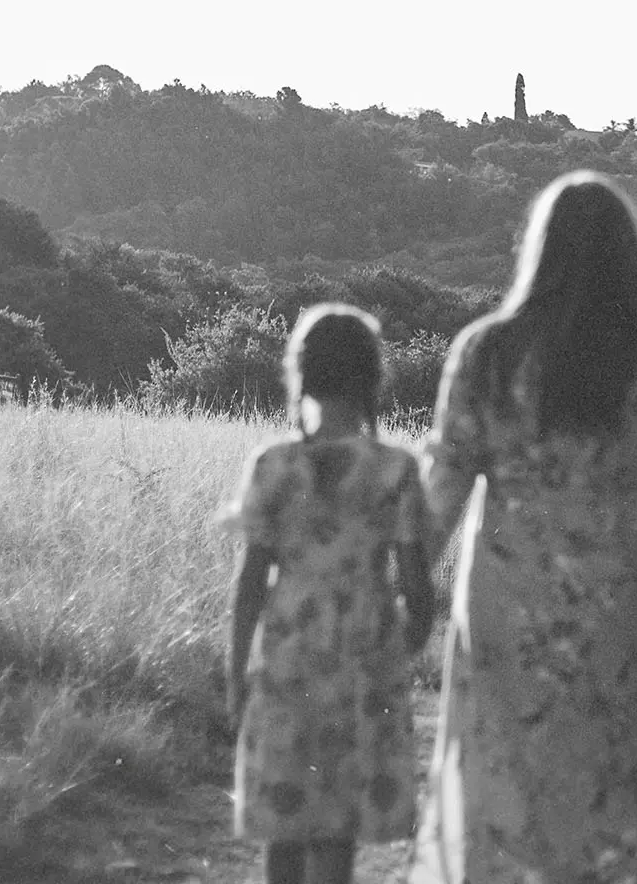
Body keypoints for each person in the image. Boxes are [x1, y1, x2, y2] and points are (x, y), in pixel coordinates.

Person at [407, 171, 637, 884]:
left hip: (508, 616)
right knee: (622, 795)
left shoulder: (487, 354)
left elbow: (442, 490)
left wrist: (406, 588)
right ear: (629, 258)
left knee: (506, 792)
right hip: (622, 615)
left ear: (539, 253)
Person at [222, 303, 436, 884]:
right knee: (336, 824)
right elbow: (420, 593)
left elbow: (248, 587)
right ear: (373, 378)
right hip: (363, 662)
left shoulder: (271, 464)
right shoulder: (396, 469)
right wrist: (400, 652)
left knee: (284, 818)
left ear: (302, 375)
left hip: (287, 655)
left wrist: (236, 672)